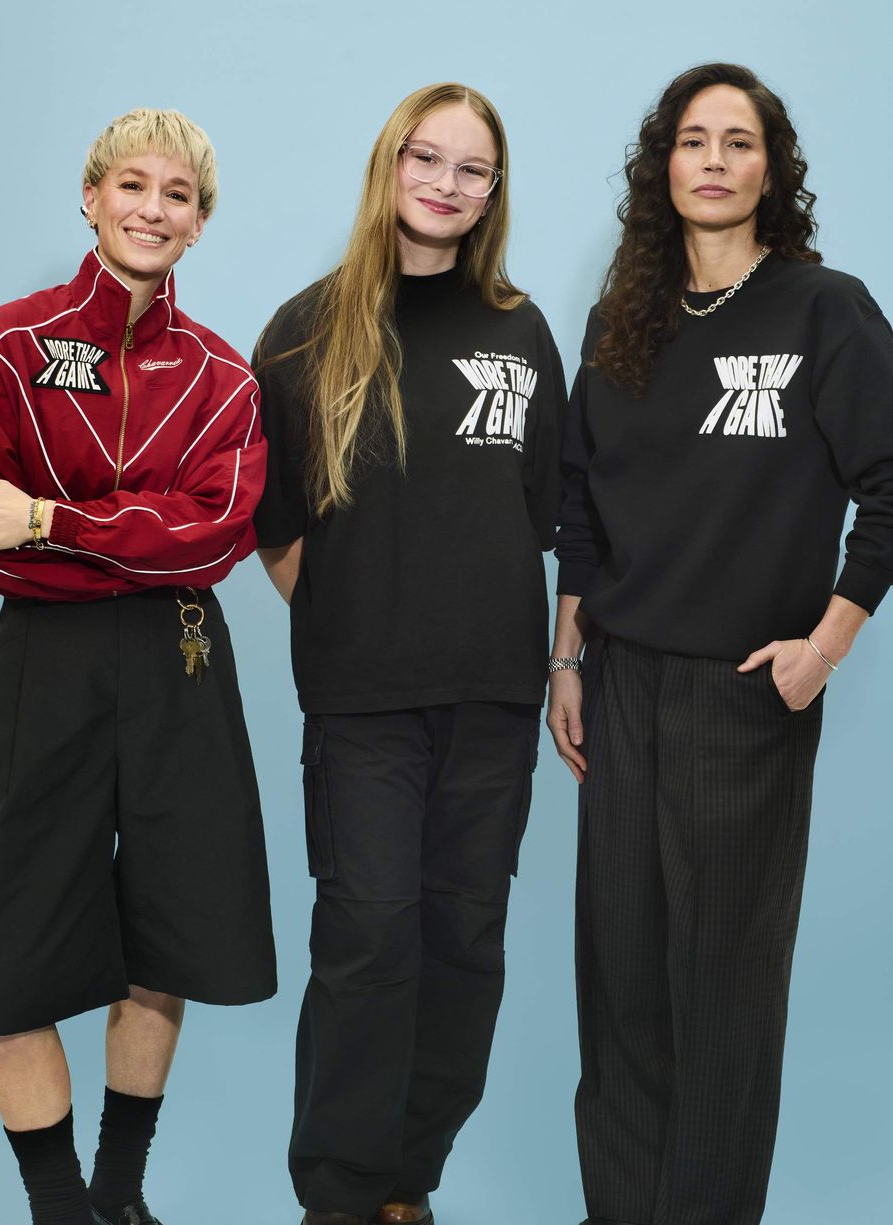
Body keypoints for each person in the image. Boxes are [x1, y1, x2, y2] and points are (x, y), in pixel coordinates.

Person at [549, 62, 893, 1225]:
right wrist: (567, 661)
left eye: (735, 141)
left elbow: (889, 482)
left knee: (720, 998)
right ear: (662, 167)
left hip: (744, 695)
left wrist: (825, 644)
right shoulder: (621, 318)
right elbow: (578, 507)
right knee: (622, 987)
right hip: (620, 679)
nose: (709, 159)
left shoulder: (821, 310)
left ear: (767, 168)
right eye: (690, 140)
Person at [0, 108, 276, 1225]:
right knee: (19, 943)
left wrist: (53, 518)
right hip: (46, 660)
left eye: (177, 195)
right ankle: (57, 1207)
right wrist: (126, 542)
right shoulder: (11, 345)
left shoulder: (224, 377)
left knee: (166, 928)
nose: (151, 209)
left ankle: (121, 1195)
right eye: (132, 185)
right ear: (90, 197)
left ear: (201, 222)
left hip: (180, 666)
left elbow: (217, 534)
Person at [253, 82, 565, 1225]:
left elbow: (551, 518)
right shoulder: (301, 329)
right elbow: (275, 530)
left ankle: (405, 1187)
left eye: (469, 169)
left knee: (463, 942)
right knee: (368, 939)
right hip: (361, 705)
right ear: (389, 168)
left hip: (492, 698)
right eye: (424, 159)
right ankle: (335, 1197)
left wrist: (554, 666)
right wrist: (356, 621)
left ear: (491, 192)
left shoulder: (520, 328)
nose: (444, 183)